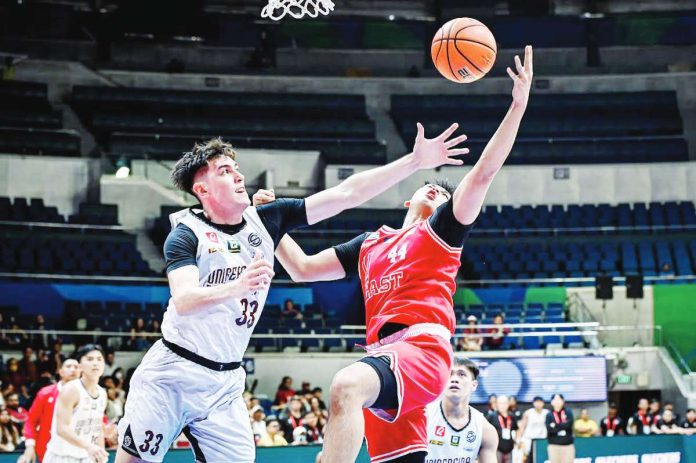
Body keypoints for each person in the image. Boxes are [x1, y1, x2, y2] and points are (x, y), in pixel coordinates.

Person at [116, 127, 468, 463]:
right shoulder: (185, 235)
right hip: (174, 369)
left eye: (237, 169)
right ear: (202, 189)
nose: (239, 176)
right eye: (225, 171)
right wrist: (237, 286)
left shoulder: (267, 220)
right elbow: (185, 299)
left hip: (225, 381)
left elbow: (347, 194)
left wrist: (414, 161)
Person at [270, 46, 534, 463]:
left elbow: (483, 172)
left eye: (444, 193)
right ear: (407, 198)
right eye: (431, 185)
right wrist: (271, 227)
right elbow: (302, 269)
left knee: (344, 387)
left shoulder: (440, 233)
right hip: (384, 361)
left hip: (423, 349)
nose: (437, 190)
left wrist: (517, 106)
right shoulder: (371, 243)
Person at [43, 344, 108, 463]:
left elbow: (98, 429)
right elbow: (62, 429)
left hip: (87, 456)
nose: (95, 363)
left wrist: (100, 453)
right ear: (80, 365)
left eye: (99, 359)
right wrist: (89, 446)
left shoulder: (102, 393)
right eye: (89, 359)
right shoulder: (71, 390)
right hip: (61, 456)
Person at [425, 358, 498, 463]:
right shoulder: (424, 416)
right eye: (449, 374)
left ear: (474, 385)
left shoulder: (485, 430)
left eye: (461, 374)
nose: (454, 379)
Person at [19, 358, 80, 463]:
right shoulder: (45, 393)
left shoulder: (88, 395)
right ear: (60, 372)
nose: (73, 370)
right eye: (69, 366)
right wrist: (30, 446)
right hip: (49, 451)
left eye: (76, 367)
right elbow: (31, 421)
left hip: (78, 451)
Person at [488, 395, 518, 463]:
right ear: (497, 404)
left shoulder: (512, 416)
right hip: (496, 448)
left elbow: (516, 429)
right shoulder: (492, 416)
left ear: (508, 404)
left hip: (509, 448)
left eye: (505, 403)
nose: (503, 405)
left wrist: (517, 441)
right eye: (500, 403)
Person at [517, 396, 548, 462]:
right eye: (537, 402)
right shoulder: (528, 413)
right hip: (529, 439)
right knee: (527, 459)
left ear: (543, 403)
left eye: (540, 402)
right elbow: (522, 427)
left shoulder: (547, 413)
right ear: (533, 403)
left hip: (542, 440)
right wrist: (519, 439)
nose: (538, 404)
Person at [545, 394, 574, 463]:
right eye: (555, 399)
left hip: (567, 445)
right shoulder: (549, 414)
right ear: (551, 402)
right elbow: (549, 429)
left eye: (559, 399)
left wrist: (555, 425)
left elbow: (569, 425)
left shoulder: (568, 412)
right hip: (554, 445)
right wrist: (563, 425)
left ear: (563, 401)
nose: (557, 401)